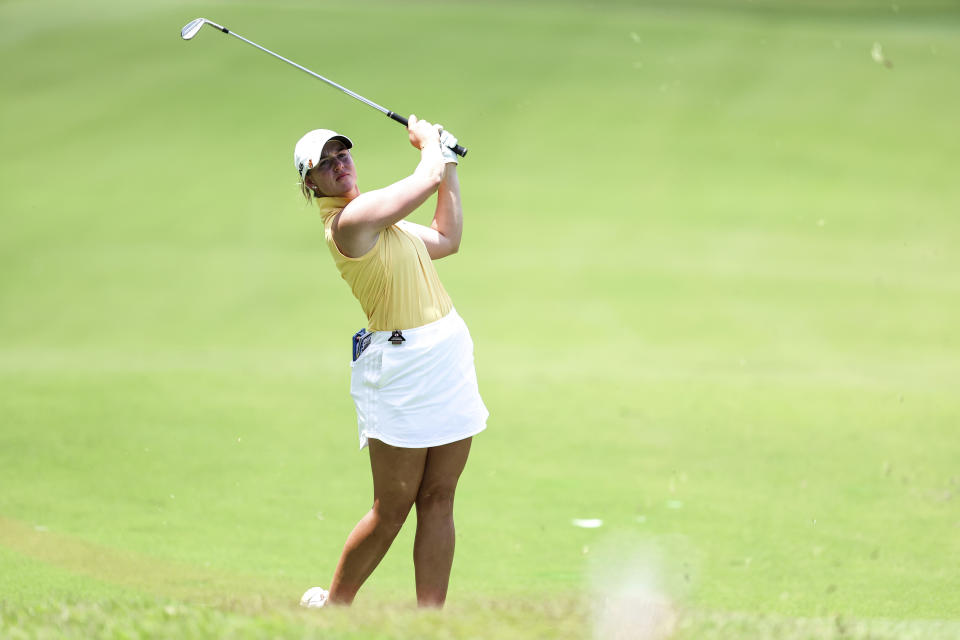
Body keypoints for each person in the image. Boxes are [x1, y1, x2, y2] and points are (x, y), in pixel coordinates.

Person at [294, 116, 488, 609]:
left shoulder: (383, 219)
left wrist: (449, 166)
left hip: (446, 353)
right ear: (310, 184)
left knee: (440, 497)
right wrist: (430, 148)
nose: (339, 165)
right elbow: (422, 181)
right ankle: (335, 611)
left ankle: (430, 624)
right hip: (400, 369)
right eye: (325, 164)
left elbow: (447, 238)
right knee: (393, 508)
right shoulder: (350, 224)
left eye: (343, 155)